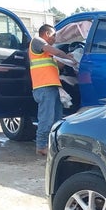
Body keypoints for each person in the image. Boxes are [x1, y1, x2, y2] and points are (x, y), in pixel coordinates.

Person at [29, 24, 76, 156]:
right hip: (43, 87)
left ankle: (53, 145)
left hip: (52, 87)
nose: (55, 38)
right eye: (54, 35)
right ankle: (41, 146)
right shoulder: (38, 41)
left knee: (56, 119)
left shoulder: (46, 53)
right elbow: (57, 52)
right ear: (46, 34)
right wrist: (67, 57)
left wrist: (70, 59)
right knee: (46, 119)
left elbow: (58, 65)